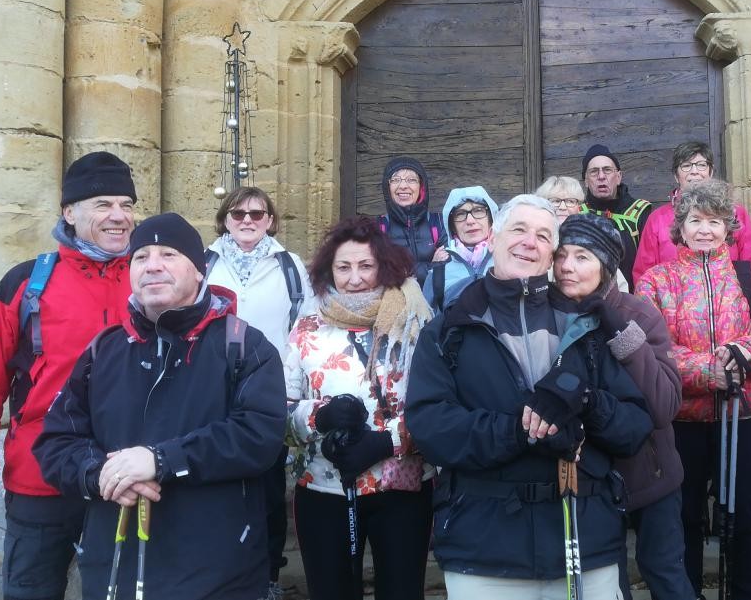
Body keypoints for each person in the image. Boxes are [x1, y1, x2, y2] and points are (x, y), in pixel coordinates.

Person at [406, 194, 654, 599]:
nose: (529, 242)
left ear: (551, 253)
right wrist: (522, 432)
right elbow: (431, 427)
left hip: (584, 544)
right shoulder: (449, 330)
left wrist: (588, 405)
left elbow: (634, 426)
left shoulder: (585, 328)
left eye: (543, 235)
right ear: (493, 240)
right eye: (519, 229)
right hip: (485, 551)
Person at [33, 213, 287, 600]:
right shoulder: (103, 350)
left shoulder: (244, 347)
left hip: (216, 572)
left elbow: (259, 435)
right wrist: (100, 473)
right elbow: (56, 443)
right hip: (114, 566)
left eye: (168, 254)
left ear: (199, 271)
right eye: (141, 256)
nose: (153, 265)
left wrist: (161, 459)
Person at [0, 151, 137, 600]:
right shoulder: (25, 283)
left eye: (127, 205)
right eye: (103, 205)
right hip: (40, 478)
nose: (119, 217)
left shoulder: (151, 276)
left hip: (126, 475)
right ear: (69, 213)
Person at [636, 179, 751, 600]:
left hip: (744, 416)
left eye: (715, 221)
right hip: (681, 421)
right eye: (696, 220)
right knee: (684, 516)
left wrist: (745, 352)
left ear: (729, 228)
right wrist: (704, 370)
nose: (706, 229)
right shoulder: (657, 281)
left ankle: (746, 593)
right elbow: (647, 344)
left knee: (742, 516)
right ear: (681, 228)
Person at [285, 216, 435, 600]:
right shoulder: (307, 329)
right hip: (324, 484)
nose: (354, 278)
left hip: (400, 484)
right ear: (327, 271)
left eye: (366, 266)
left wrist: (388, 442)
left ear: (383, 267)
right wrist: (320, 418)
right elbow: (280, 410)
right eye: (343, 267)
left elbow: (436, 404)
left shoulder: (415, 321)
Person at [552, 214, 694, 600]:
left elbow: (665, 404)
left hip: (652, 474)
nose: (567, 266)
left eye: (582, 256)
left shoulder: (639, 314)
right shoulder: (547, 319)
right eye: (561, 255)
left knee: (665, 571)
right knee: (606, 581)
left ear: (607, 265)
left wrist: (621, 333)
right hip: (589, 481)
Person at [205, 186, 314, 599]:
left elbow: (303, 326)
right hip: (212, 389)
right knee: (215, 479)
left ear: (270, 220)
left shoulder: (289, 266)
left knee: (268, 487)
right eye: (238, 214)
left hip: (269, 388)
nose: (247, 220)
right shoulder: (205, 262)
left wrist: (289, 389)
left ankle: (267, 574)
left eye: (257, 213)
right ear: (225, 220)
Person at [632, 140, 751, 285]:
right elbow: (643, 275)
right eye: (686, 165)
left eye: (701, 165)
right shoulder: (657, 219)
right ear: (676, 175)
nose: (694, 171)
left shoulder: (735, 212)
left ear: (710, 172)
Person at [580, 144, 654, 282]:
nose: (601, 176)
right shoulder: (577, 213)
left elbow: (649, 266)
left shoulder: (639, 212)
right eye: (594, 171)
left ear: (619, 177)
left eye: (607, 170)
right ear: (586, 181)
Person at [423, 186, 499, 311]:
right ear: (451, 225)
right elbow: (428, 324)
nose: (470, 220)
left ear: (491, 218)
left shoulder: (510, 259)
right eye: (460, 214)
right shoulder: (438, 273)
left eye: (478, 210)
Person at [379, 157, 448, 284]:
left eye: (411, 180)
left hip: (433, 302)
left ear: (421, 187)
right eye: (395, 180)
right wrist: (431, 266)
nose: (403, 186)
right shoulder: (378, 228)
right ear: (387, 187)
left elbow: (448, 269)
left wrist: (401, 271)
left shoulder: (439, 223)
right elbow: (380, 273)